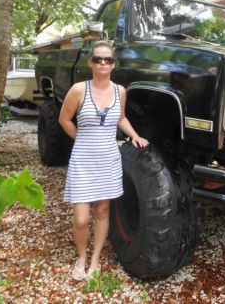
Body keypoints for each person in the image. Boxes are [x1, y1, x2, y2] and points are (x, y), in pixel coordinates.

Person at [59, 41, 149, 281]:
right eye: (98, 59)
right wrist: (81, 139)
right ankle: (81, 257)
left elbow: (120, 118)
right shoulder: (79, 90)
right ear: (90, 62)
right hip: (83, 160)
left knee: (102, 211)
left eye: (107, 59)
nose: (102, 63)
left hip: (108, 159)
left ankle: (95, 259)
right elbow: (64, 119)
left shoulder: (120, 91)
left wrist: (135, 135)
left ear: (113, 64)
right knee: (81, 218)